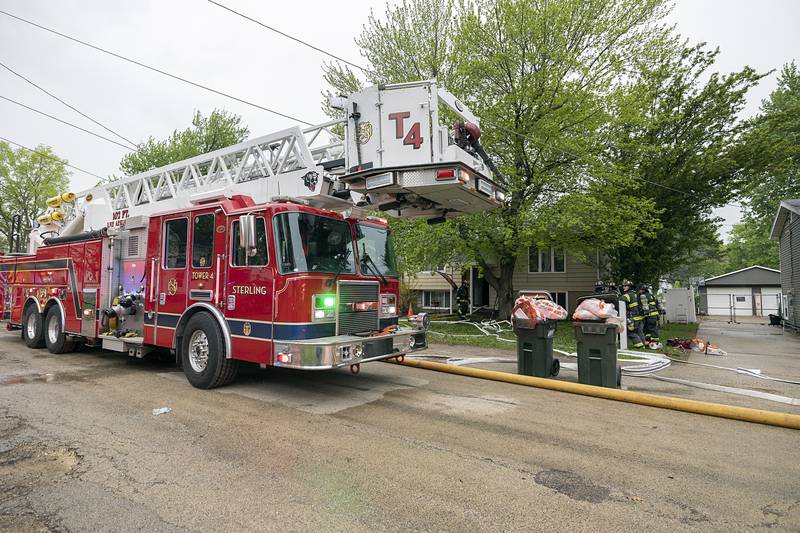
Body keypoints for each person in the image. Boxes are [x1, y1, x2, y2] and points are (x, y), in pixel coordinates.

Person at [620, 280, 645, 349]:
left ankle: (638, 345)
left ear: (629, 287)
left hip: (632, 318)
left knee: (630, 332)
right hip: (640, 317)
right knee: (640, 332)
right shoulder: (637, 294)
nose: (623, 287)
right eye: (623, 286)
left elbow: (620, 304)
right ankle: (643, 345)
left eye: (625, 286)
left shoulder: (627, 295)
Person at [642, 285, 663, 349]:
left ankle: (655, 344)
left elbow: (644, 306)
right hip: (654, 315)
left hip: (650, 315)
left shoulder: (643, 296)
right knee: (648, 329)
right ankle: (649, 343)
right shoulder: (651, 296)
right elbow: (657, 305)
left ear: (642, 290)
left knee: (652, 329)